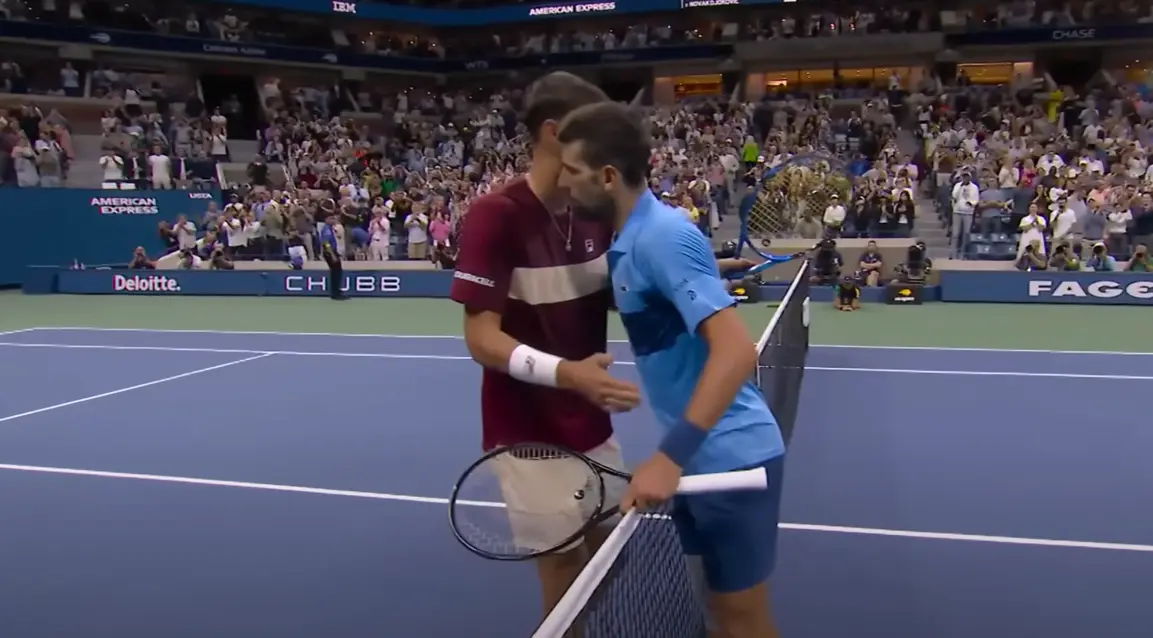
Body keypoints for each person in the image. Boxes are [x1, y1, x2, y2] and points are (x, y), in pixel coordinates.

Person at [556, 101, 784, 638]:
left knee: (741, 619)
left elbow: (736, 352)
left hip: (733, 457)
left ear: (608, 176)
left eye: (571, 171)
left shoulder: (661, 236)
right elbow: (664, 298)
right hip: (700, 461)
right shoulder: (637, 238)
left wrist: (667, 458)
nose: (562, 183)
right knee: (717, 614)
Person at [448, 72, 642, 620]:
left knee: (605, 553)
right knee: (561, 572)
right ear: (554, 133)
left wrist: (693, 275)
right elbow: (481, 339)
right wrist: (571, 374)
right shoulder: (496, 215)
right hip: (529, 432)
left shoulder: (594, 211)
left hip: (591, 421)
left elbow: (617, 290)